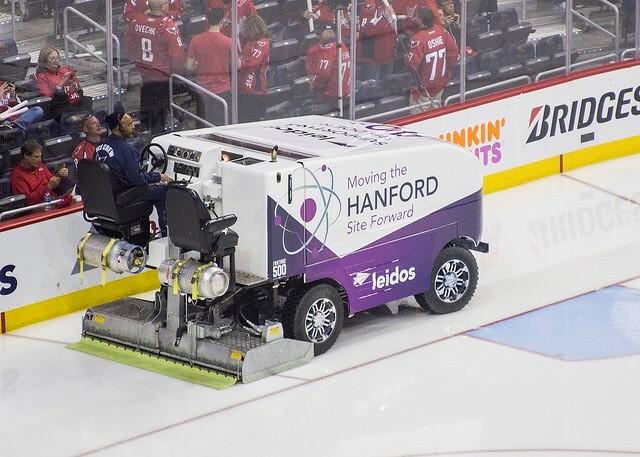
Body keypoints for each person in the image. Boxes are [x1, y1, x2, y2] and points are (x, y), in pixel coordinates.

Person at [94, 110, 173, 236]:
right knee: (164, 191)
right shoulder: (126, 149)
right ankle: (167, 236)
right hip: (124, 196)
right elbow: (136, 180)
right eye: (129, 124)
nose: (133, 126)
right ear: (118, 127)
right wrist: (158, 176)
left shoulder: (100, 147)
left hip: (106, 199)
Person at [125, 0, 185, 134]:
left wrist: (138, 59)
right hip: (161, 75)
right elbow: (177, 56)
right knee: (160, 111)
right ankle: (157, 137)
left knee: (146, 104)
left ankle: (145, 130)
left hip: (145, 73)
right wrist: (176, 72)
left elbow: (129, 43)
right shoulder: (168, 25)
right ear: (162, 5)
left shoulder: (137, 21)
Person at [186, 8, 234, 126]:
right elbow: (237, 65)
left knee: (202, 123)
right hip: (223, 89)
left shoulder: (196, 40)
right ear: (222, 21)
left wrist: (199, 65)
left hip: (202, 89)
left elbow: (188, 66)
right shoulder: (229, 42)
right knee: (220, 124)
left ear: (207, 20)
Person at [405, 7, 458, 112]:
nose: (414, 18)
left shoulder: (418, 39)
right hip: (440, 85)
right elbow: (454, 53)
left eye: (416, 16)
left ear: (421, 19)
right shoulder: (442, 31)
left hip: (423, 91)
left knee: (418, 122)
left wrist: (406, 56)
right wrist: (446, 71)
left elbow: (411, 65)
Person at [35, 47, 93, 121]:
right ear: (45, 61)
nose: (56, 60)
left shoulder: (65, 69)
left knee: (87, 102)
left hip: (73, 99)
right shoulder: (42, 76)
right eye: (52, 58)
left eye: (57, 57)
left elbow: (78, 86)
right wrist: (62, 83)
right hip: (59, 105)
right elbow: (47, 96)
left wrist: (74, 83)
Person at [10, 139, 69, 206]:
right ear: (26, 156)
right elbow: (28, 201)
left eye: (40, 156)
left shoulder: (41, 166)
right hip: (36, 209)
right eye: (36, 157)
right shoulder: (17, 176)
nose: (40, 160)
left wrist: (62, 178)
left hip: (53, 202)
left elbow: (57, 188)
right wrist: (48, 187)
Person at [306, 24, 351, 103]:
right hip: (345, 92)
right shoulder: (343, 46)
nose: (330, 32)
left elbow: (324, 74)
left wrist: (315, 84)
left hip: (331, 94)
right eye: (327, 31)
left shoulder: (329, 51)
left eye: (331, 30)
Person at [238, 15, 270, 123]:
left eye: (247, 29)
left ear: (254, 28)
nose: (245, 32)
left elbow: (252, 64)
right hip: (245, 89)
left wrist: (239, 63)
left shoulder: (262, 42)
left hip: (255, 90)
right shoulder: (250, 43)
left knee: (252, 122)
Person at [358, 0, 398, 81]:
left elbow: (392, 27)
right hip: (373, 59)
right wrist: (384, 18)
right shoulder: (370, 5)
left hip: (388, 57)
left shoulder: (386, 3)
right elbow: (367, 31)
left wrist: (394, 47)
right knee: (372, 90)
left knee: (385, 90)